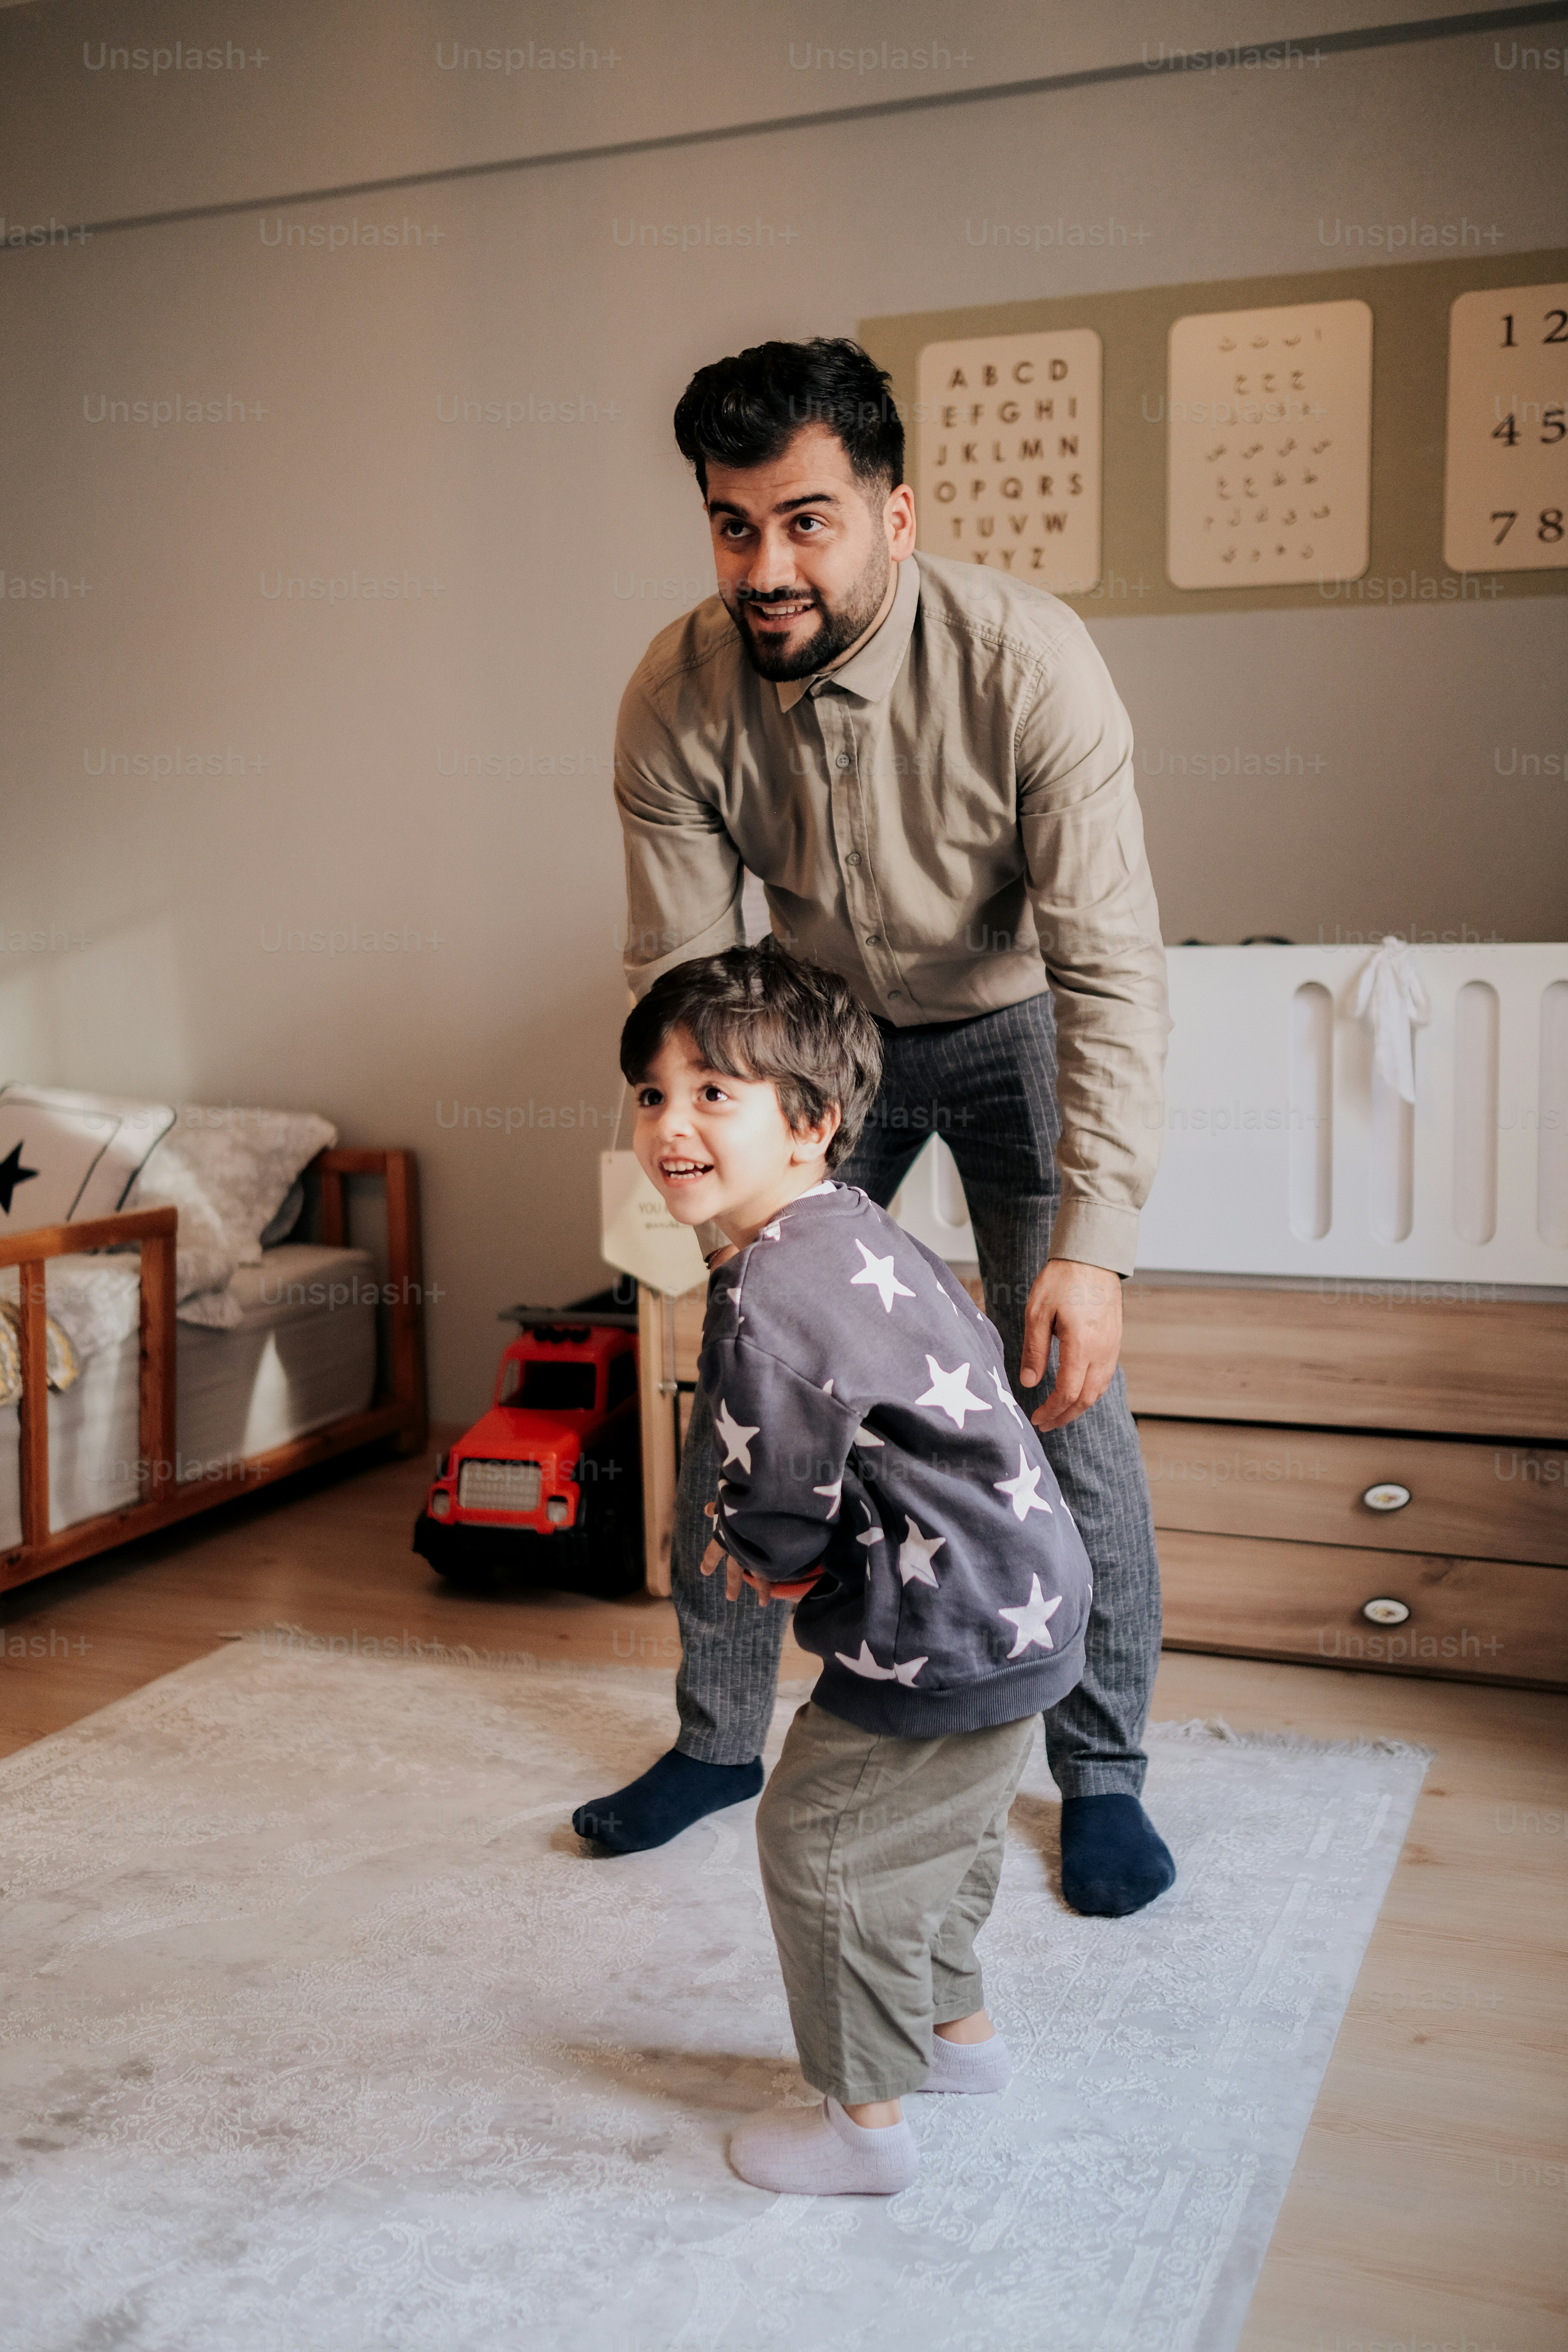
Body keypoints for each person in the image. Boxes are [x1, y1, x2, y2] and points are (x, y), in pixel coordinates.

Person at [574, 336, 1174, 1918]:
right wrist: (713, 1203)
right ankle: (718, 1742)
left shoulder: (1027, 663)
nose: (765, 568)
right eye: (733, 527)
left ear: (893, 517)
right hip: (817, 1039)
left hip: (1014, 1018)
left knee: (1062, 1388)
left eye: (807, 522)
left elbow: (1112, 967)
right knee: (747, 1367)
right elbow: (687, 989)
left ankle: (1101, 1771)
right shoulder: (674, 697)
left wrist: (1095, 1248)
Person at [621, 945, 1093, 2195]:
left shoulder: (764, 1292)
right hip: (1027, 1594)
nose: (671, 1125)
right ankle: (955, 2035)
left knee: (821, 1835)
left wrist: (771, 1562)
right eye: (654, 1094)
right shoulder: (859, 1233)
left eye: (714, 1094)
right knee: (942, 1828)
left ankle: (862, 2126)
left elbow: (779, 1478)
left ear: (813, 1121)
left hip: (944, 1618)